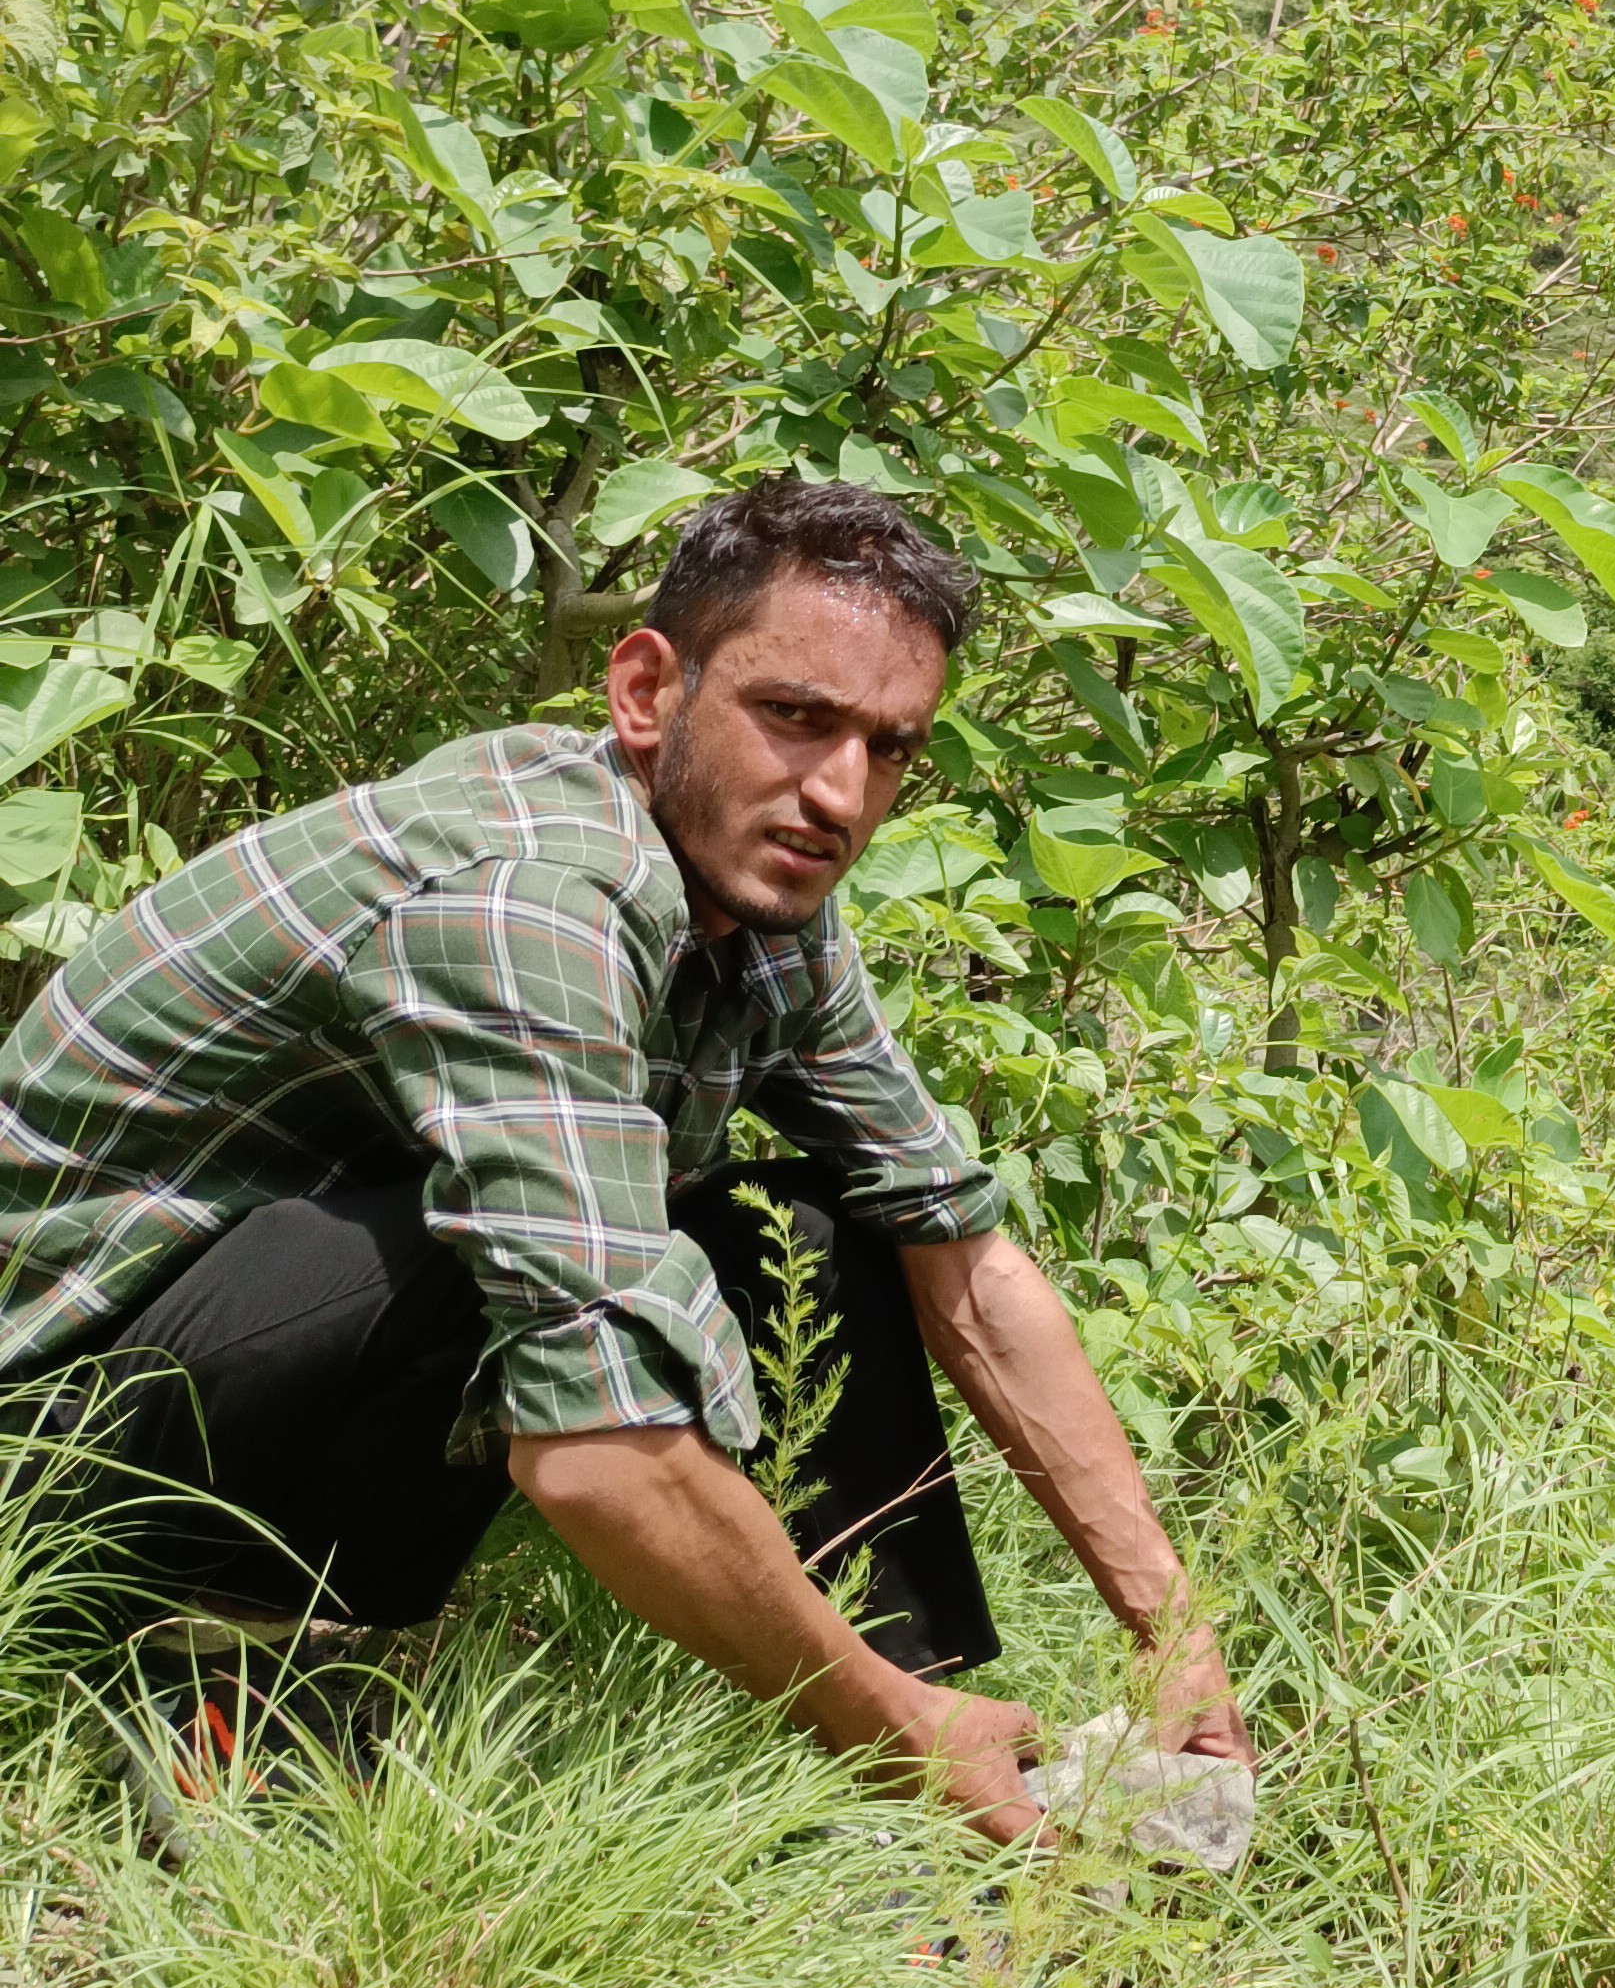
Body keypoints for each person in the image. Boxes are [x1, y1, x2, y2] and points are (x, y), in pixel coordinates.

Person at [0, 476, 1242, 1842]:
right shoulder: (528, 897)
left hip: (241, 1378)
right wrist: (887, 1735)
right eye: (795, 716)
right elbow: (597, 1449)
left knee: (810, 1236)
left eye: (888, 748)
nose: (839, 792)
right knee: (499, 1242)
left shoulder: (758, 900)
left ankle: (933, 1786)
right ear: (649, 692)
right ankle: (222, 1678)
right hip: (47, 1452)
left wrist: (1174, 1635)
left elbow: (962, 1254)